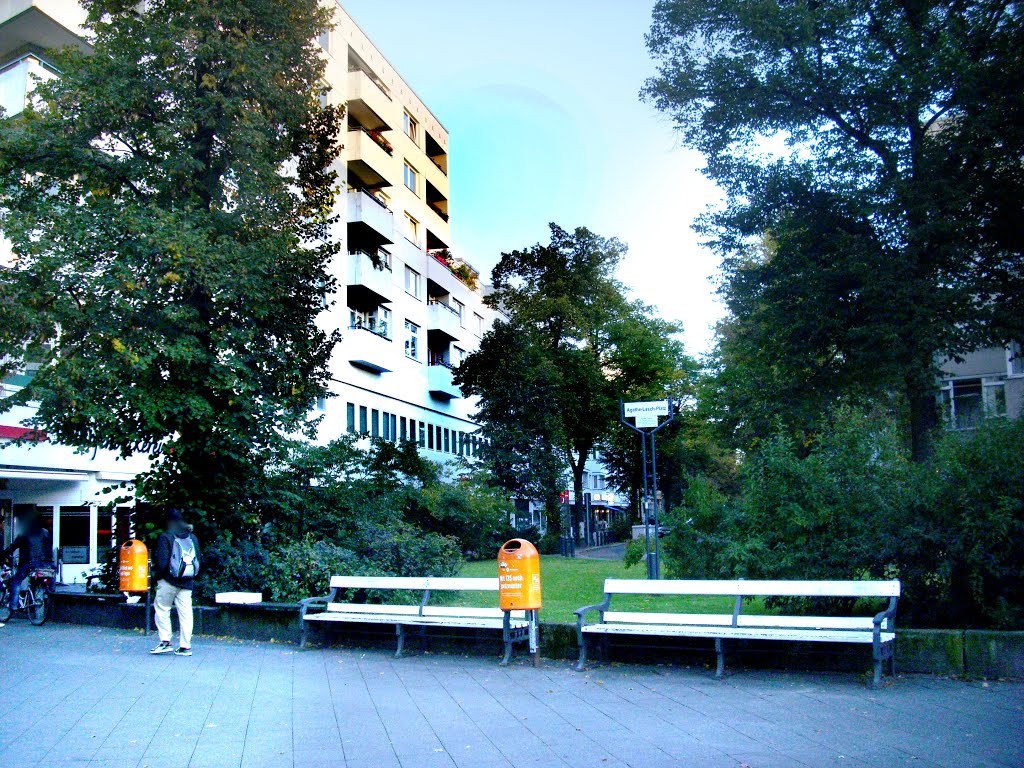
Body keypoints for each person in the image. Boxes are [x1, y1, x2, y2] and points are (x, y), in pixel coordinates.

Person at [150, 509, 200, 656]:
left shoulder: (166, 537)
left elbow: (162, 562)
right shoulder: (192, 537)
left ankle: (165, 641)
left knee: (162, 608)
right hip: (187, 581)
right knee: (186, 614)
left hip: (168, 581)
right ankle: (185, 646)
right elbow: (198, 559)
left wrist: (158, 577)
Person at [2, 513, 53, 617]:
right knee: (45, 578)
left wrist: (4, 554)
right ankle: (47, 594)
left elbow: (13, 546)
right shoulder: (45, 532)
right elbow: (48, 547)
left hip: (28, 562)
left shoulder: (25, 533)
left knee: (16, 581)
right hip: (43, 563)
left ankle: (13, 605)